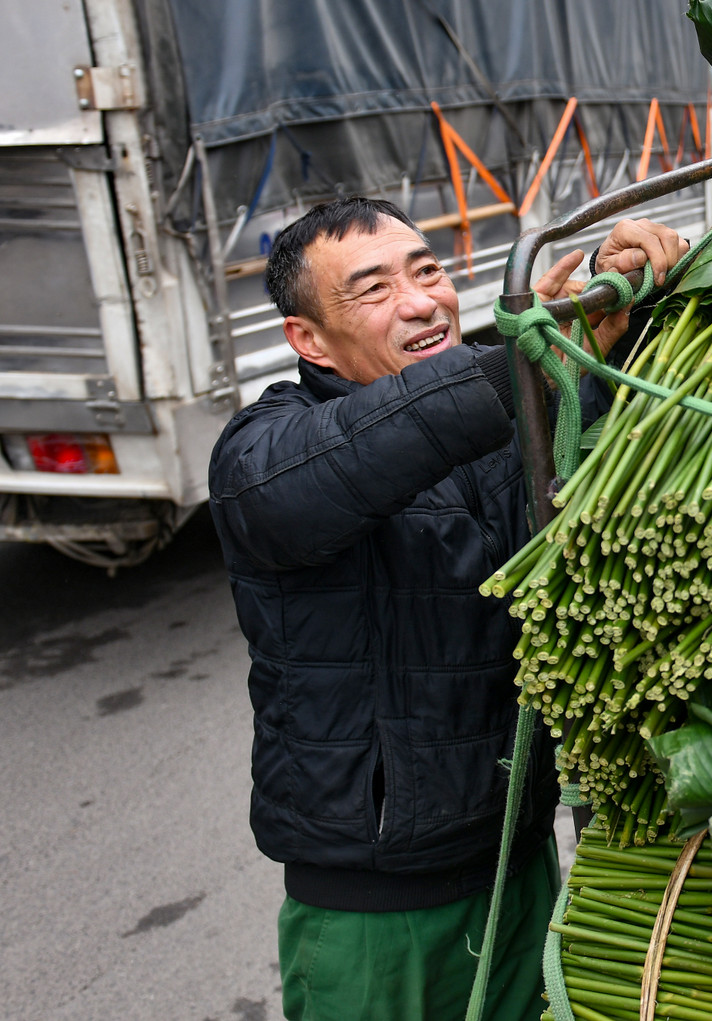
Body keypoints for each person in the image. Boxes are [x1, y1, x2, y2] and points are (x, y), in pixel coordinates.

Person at [208, 197, 684, 1021]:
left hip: (521, 876)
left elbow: (597, 461)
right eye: (374, 289)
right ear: (308, 339)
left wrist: (624, 313)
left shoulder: (499, 418)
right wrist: (518, 367)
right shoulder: (264, 450)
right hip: (375, 923)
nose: (421, 301)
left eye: (427, 271)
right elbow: (352, 456)